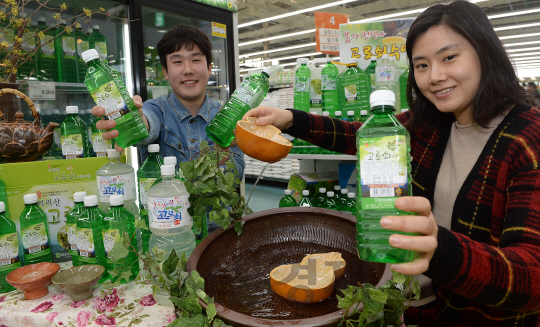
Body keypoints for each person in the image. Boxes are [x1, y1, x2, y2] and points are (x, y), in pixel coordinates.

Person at [243, 1, 540, 326]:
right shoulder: (431, 123)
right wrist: (290, 119)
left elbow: (532, 271)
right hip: (423, 307)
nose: (435, 76)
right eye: (422, 65)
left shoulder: (527, 138)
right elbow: (357, 134)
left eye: (449, 57)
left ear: (485, 53)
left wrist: (443, 250)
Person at [92, 24, 245, 232]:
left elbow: (236, 173)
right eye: (177, 61)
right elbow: (147, 127)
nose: (188, 69)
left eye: (196, 59)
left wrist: (223, 156)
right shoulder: (155, 109)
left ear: (209, 68)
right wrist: (132, 123)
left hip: (218, 232)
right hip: (167, 233)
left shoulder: (228, 116)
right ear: (165, 71)